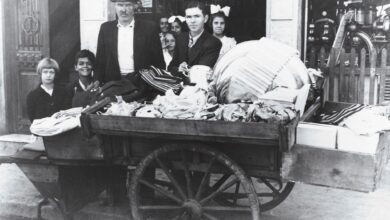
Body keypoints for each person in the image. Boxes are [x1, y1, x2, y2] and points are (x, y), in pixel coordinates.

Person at [95, 0, 165, 92]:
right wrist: (97, 80)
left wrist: (158, 86)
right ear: (114, 6)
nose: (124, 10)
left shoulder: (149, 28)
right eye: (120, 5)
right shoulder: (106, 28)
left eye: (128, 5)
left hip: (142, 84)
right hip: (113, 83)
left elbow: (158, 61)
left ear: (135, 6)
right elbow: (100, 58)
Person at [168, 1, 222, 78]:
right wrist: (178, 69)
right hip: (178, 84)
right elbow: (170, 68)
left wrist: (185, 69)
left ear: (205, 18)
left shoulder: (214, 42)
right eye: (189, 17)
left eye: (197, 16)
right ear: (185, 19)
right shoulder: (181, 38)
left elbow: (201, 73)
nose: (192, 21)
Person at [26, 58, 71, 122]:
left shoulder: (63, 92)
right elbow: (33, 119)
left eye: (51, 72)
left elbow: (67, 113)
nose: (48, 75)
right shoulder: (32, 96)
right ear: (40, 73)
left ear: (55, 74)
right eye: (45, 72)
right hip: (42, 130)